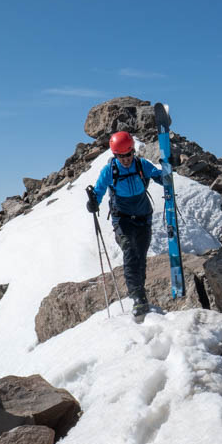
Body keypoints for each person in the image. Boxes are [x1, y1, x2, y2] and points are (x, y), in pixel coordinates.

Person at [86, 130, 164, 321]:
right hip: (122, 219)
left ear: (133, 151)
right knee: (130, 252)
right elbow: (99, 191)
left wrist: (168, 173)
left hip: (143, 217)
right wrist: (93, 202)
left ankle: (140, 294)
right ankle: (137, 297)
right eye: (121, 156)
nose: (126, 159)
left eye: (128, 154)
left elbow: (159, 176)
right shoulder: (109, 170)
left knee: (141, 256)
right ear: (115, 155)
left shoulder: (141, 164)